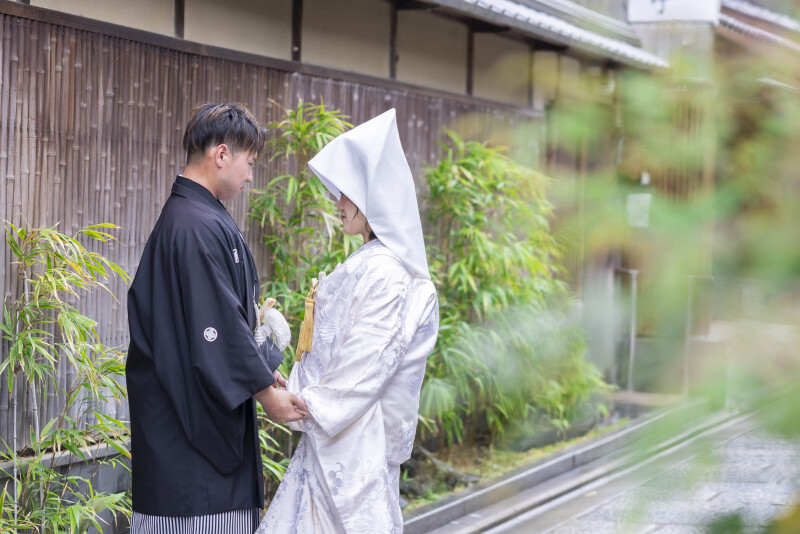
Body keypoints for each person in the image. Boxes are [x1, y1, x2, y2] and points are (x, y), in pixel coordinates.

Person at [126, 102, 308, 533]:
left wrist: (263, 371)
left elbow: (224, 321)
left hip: (191, 423)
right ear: (221, 155)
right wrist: (265, 392)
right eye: (249, 163)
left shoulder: (195, 217)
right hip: (189, 449)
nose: (250, 177)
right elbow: (218, 327)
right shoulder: (193, 225)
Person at [257, 108, 440, 533]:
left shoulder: (387, 271)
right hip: (341, 435)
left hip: (352, 439)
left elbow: (365, 366)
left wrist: (305, 401)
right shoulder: (377, 264)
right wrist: (298, 387)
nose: (338, 202)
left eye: (348, 193)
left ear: (373, 197)